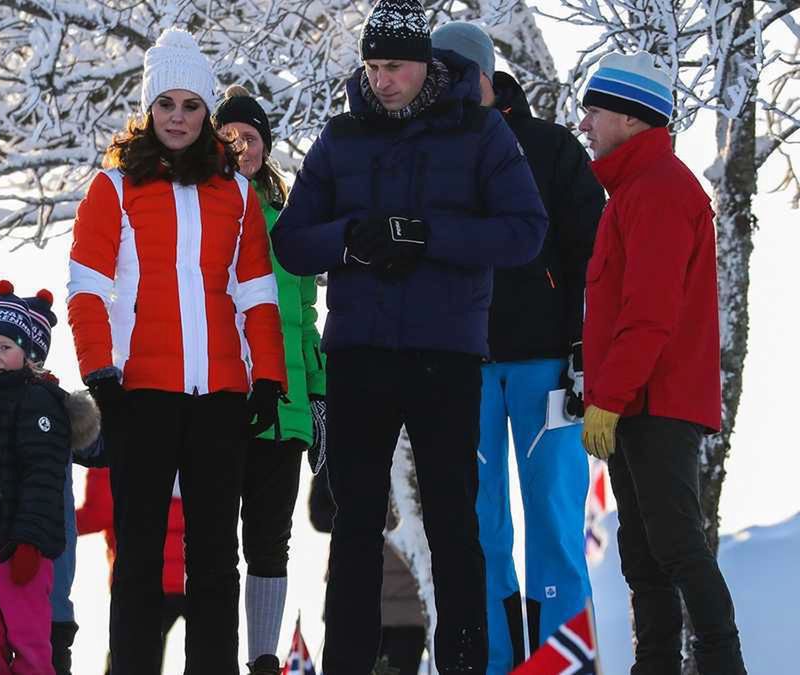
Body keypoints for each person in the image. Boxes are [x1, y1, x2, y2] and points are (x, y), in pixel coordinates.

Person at [270, 0, 548, 671]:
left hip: (445, 352)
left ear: (425, 64)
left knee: (456, 520)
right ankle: (346, 664)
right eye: (371, 66)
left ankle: (462, 661)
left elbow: (525, 230)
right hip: (359, 352)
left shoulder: (480, 133)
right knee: (355, 522)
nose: (381, 79)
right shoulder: (340, 137)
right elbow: (291, 239)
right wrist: (350, 239)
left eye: (393, 65)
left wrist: (428, 237)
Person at [66, 26, 286, 674]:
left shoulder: (238, 193)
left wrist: (268, 376)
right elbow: (88, 287)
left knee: (216, 557)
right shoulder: (113, 189)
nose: (179, 118)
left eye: (191, 106)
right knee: (138, 554)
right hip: (141, 394)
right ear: (149, 109)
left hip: (220, 393)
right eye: (167, 105)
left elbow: (256, 293)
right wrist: (100, 371)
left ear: (207, 111)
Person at [431, 22, 605, 672]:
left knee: (555, 522)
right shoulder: (428, 155)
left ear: (481, 75)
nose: (441, 87)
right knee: (479, 529)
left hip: (546, 363)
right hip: (462, 367)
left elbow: (595, 251)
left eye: (451, 74)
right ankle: (496, 660)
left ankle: (563, 662)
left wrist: (588, 349)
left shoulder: (550, 146)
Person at [577, 51, 747, 675]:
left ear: (628, 115)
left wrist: (610, 397)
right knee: (644, 554)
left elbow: (649, 313)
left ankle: (722, 664)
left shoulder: (657, 190)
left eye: (593, 110)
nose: (587, 124)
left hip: (656, 403)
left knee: (676, 547)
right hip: (636, 402)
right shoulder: (633, 191)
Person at [214, 85, 326, 675]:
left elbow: (303, 322)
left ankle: (263, 660)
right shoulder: (203, 209)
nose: (239, 147)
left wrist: (318, 398)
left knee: (269, 542)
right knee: (212, 544)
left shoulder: (288, 223)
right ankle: (216, 657)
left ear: (264, 145)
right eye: (227, 137)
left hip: (285, 410)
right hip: (222, 401)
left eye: (249, 137)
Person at [0, 280, 96, 675]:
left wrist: (30, 540)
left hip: (21, 548)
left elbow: (42, 474)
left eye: (4, 347)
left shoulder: (40, 400)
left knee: (31, 643)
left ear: (25, 351)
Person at [308, 471, 427, 675]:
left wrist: (355, 513)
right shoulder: (418, 449)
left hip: (368, 596)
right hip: (400, 601)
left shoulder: (346, 447)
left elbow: (321, 514)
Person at [75, 467, 187, 675]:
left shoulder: (110, 449)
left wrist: (49, 524)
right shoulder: (189, 444)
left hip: (145, 579)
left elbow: (97, 515)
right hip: (196, 577)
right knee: (209, 655)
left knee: (132, 660)